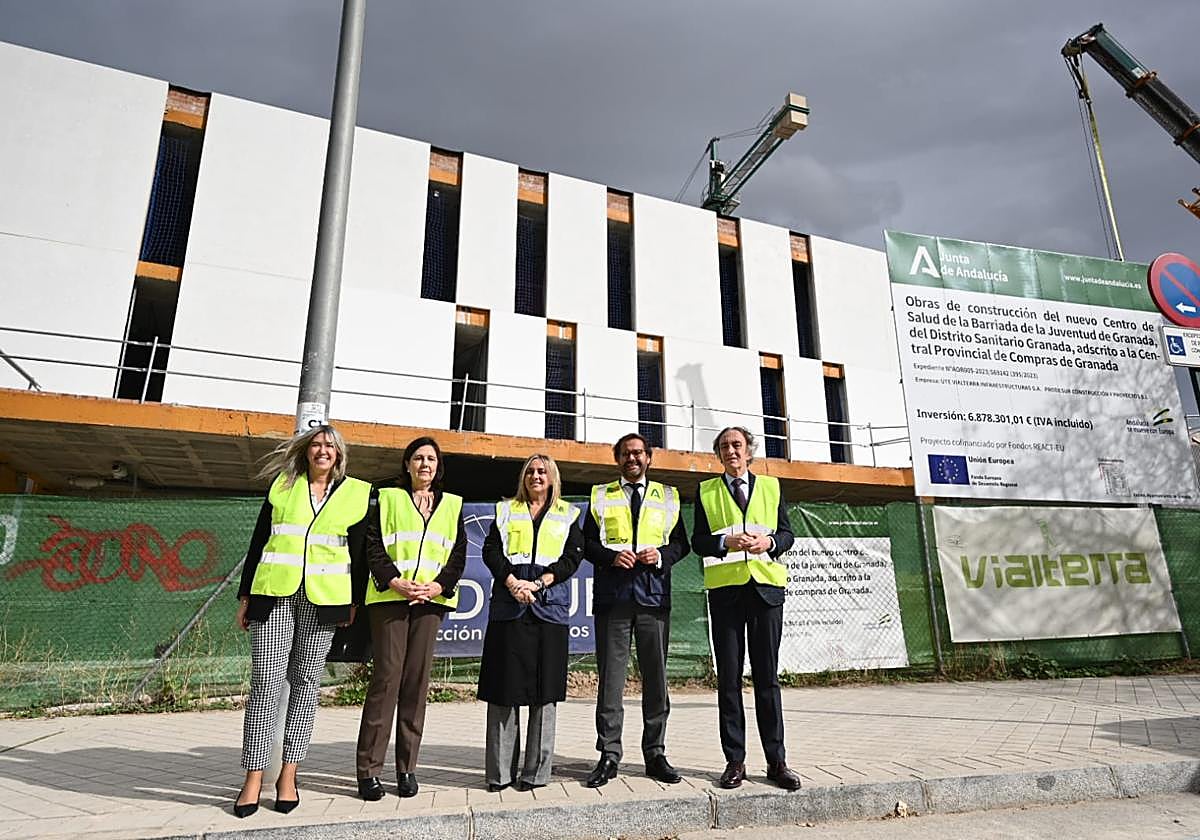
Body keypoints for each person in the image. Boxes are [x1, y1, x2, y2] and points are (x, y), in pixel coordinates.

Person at [234, 424, 373, 818]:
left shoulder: (357, 494)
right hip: (273, 592)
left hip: (324, 599)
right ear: (305, 452)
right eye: (316, 445)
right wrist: (245, 595)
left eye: (330, 445)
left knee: (305, 685)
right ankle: (253, 777)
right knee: (265, 682)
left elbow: (359, 555)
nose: (323, 450)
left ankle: (289, 776)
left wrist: (354, 603)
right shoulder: (282, 485)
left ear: (339, 454)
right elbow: (259, 540)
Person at [354, 436, 466, 801]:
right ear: (407, 465)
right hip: (390, 599)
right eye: (418, 458)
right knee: (387, 680)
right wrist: (395, 581)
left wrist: (437, 587)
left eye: (431, 459)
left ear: (438, 467)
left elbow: (458, 554)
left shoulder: (452, 505)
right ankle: (369, 770)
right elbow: (373, 545)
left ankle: (407, 768)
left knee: (416, 685)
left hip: (430, 602)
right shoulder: (387, 499)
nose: (424, 464)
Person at [692, 426, 802, 791]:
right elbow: (698, 541)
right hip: (726, 593)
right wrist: (725, 541)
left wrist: (768, 541)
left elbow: (787, 534)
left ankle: (776, 761)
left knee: (768, 680)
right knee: (728, 680)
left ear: (749, 450)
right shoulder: (706, 490)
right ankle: (735, 761)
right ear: (718, 454)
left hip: (766, 592)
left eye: (737, 445)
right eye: (724, 446)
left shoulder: (771, 487)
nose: (731, 451)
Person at [582, 432, 690, 788]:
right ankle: (609, 754)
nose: (632, 459)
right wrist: (612, 556)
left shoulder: (669, 496)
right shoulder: (600, 495)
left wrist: (660, 556)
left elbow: (681, 545)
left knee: (656, 681)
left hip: (654, 599)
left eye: (638, 453)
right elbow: (586, 545)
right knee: (611, 682)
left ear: (649, 458)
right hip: (613, 600)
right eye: (625, 454)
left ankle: (655, 753)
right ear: (617, 459)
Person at [477, 453, 584, 792]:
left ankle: (536, 774)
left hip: (548, 609)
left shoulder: (568, 514)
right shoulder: (505, 510)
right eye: (530, 472)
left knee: (544, 693)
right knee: (502, 691)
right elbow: (491, 551)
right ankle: (500, 774)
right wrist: (512, 583)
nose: (536, 476)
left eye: (542, 472)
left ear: (552, 479)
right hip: (509, 608)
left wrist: (540, 584)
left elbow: (572, 557)